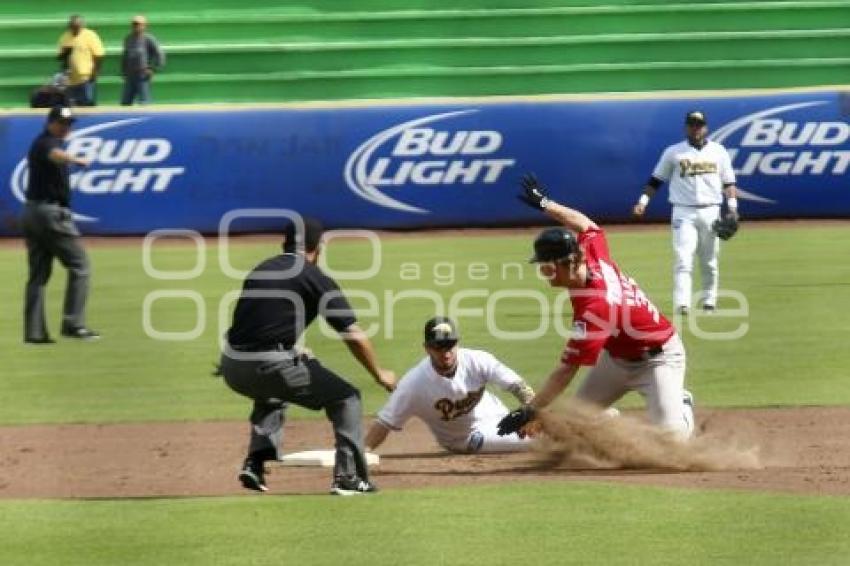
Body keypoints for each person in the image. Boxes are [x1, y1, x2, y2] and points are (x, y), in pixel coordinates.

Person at [497, 175, 694, 441]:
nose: (543, 273)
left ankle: (681, 403)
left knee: (674, 441)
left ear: (566, 263)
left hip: (658, 360)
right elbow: (586, 225)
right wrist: (546, 203)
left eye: (546, 266)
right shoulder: (589, 256)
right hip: (616, 361)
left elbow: (566, 370)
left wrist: (530, 410)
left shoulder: (597, 306)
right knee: (569, 430)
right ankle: (605, 417)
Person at [219, 217, 396, 495]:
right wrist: (379, 374)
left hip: (232, 364)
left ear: (284, 244)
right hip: (269, 364)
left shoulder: (261, 269)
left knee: (272, 393)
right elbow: (354, 336)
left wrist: (291, 350)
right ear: (319, 247)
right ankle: (348, 477)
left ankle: (255, 462)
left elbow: (256, 324)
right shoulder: (314, 277)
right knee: (347, 398)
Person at [365, 316, 536, 455]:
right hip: (467, 438)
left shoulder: (477, 360)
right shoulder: (413, 384)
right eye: (438, 347)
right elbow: (384, 422)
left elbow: (518, 386)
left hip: (501, 416)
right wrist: (362, 452)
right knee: (538, 439)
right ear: (427, 348)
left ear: (457, 343)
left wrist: (532, 412)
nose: (445, 353)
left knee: (544, 422)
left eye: (450, 345)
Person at [632, 110, 740, 315]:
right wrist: (642, 202)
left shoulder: (719, 151)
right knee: (683, 257)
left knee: (709, 260)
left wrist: (733, 208)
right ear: (685, 128)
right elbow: (656, 180)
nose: (695, 128)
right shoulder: (674, 152)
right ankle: (683, 303)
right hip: (683, 212)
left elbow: (729, 183)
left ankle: (709, 301)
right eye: (692, 125)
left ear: (706, 128)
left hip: (711, 210)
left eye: (699, 125)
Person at [22, 106, 100, 343]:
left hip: (32, 212)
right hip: (50, 214)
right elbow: (55, 155)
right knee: (80, 265)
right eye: (62, 123)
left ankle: (34, 333)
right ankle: (73, 324)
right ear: (51, 122)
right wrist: (76, 159)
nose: (67, 127)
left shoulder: (46, 142)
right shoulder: (46, 142)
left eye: (69, 123)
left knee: (38, 275)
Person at [57, 15, 104, 106]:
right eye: (73, 27)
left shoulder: (90, 36)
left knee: (87, 104)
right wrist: (65, 53)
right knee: (70, 106)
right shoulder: (65, 37)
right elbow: (59, 58)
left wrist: (95, 73)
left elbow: (99, 56)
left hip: (86, 79)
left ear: (82, 26)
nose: (75, 29)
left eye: (77, 26)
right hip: (70, 80)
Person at [120, 15, 166, 106]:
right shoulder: (128, 38)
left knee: (144, 102)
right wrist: (123, 70)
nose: (136, 26)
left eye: (138, 24)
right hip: (130, 75)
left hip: (142, 75)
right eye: (134, 24)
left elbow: (159, 55)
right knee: (125, 102)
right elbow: (125, 56)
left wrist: (153, 69)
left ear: (144, 26)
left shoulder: (149, 39)